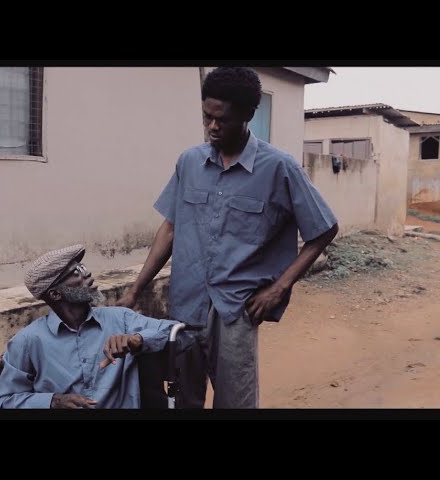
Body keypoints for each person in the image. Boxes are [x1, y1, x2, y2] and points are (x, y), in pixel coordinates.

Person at [117, 67, 339, 408]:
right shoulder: (189, 162)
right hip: (185, 304)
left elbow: (324, 228)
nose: (213, 127)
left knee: (235, 402)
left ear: (248, 115)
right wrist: (135, 290)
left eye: (223, 119)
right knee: (181, 400)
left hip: (235, 311)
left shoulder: (279, 167)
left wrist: (279, 288)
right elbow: (170, 228)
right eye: (207, 117)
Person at [0, 244, 180, 409]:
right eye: (76, 272)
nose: (87, 273)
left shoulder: (120, 319)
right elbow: (3, 401)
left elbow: (180, 333)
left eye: (82, 267)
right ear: (56, 294)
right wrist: (53, 401)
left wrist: (138, 340)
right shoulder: (27, 341)